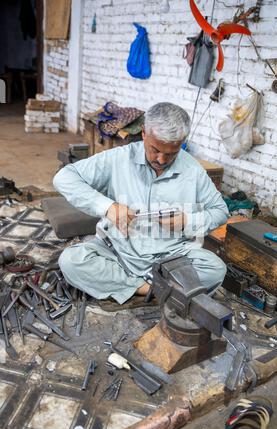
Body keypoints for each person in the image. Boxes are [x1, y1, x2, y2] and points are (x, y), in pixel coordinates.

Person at [53, 102, 229, 304]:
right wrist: (108, 207)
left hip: (172, 257)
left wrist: (187, 221)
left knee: (216, 269)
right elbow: (64, 177)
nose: (161, 160)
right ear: (144, 133)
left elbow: (220, 211)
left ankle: (133, 286)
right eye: (155, 150)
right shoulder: (118, 159)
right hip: (119, 252)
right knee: (71, 260)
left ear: (182, 141)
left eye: (172, 153)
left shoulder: (193, 170)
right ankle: (148, 289)